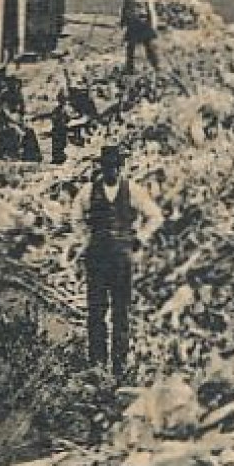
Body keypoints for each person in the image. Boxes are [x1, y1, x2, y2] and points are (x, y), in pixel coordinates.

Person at [74, 145, 163, 380]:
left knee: (121, 311)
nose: (111, 171)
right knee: (96, 310)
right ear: (101, 168)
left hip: (122, 258)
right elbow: (76, 218)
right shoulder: (87, 192)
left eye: (114, 167)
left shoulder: (132, 190)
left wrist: (139, 238)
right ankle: (97, 363)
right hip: (97, 258)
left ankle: (119, 365)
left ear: (120, 167)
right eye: (107, 167)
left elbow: (155, 216)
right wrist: (86, 239)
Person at [119, 0, 161, 72]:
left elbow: (151, 11)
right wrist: (123, 21)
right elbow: (125, 10)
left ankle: (156, 66)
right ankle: (129, 67)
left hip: (144, 23)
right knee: (130, 47)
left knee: (149, 46)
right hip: (133, 24)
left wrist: (153, 25)